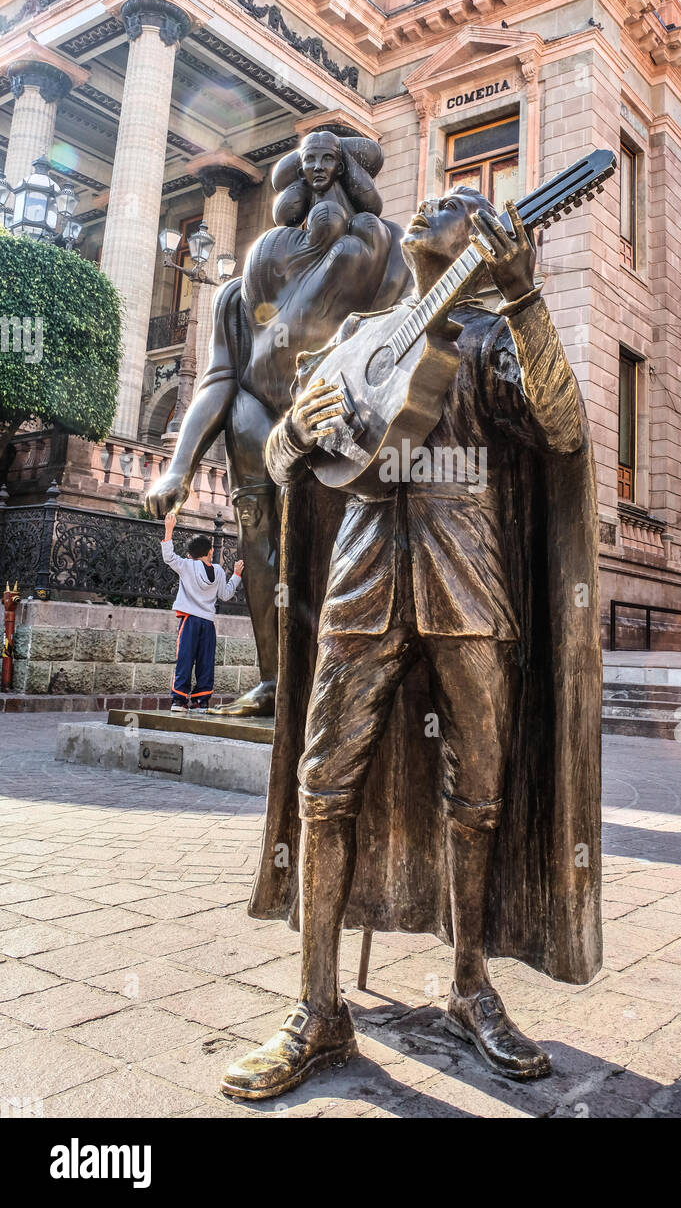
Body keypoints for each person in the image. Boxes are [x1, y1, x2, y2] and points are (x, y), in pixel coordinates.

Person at [220, 185, 602, 1100]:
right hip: (359, 574)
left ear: (484, 239)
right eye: (431, 197)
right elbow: (280, 458)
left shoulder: (495, 336)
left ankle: (471, 985)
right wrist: (291, 437)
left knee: (479, 787)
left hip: (468, 571)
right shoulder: (355, 339)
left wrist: (527, 300)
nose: (436, 203)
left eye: (461, 201)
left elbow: (563, 428)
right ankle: (316, 1009)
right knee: (324, 785)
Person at [144, 131, 410, 719]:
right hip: (253, 419)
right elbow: (219, 377)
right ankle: (274, 681)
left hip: (342, 425)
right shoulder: (239, 292)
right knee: (260, 550)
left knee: (346, 548)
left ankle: (338, 690)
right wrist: (179, 468)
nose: (317, 196)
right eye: (307, 168)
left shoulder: (380, 252)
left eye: (329, 170)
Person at [161, 512, 244, 714]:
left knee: (185, 658)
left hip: (189, 620)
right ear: (209, 552)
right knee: (206, 661)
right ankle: (201, 701)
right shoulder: (217, 570)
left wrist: (169, 529)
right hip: (208, 622)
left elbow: (168, 557)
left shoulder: (187, 565)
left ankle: (179, 701)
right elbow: (225, 594)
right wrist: (236, 575)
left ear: (191, 554)